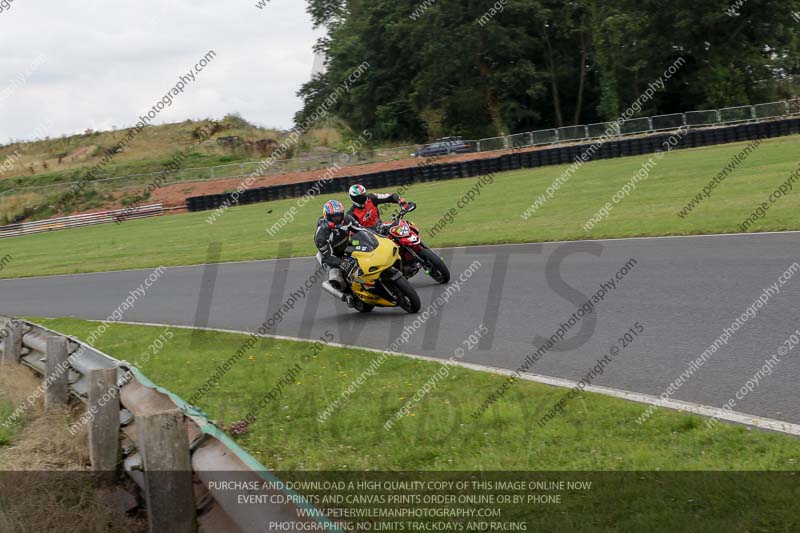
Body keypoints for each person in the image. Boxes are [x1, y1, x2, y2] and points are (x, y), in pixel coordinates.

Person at [315, 199, 356, 306]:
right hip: (330, 255)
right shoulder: (321, 235)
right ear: (327, 217)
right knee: (336, 279)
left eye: (339, 215)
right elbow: (328, 257)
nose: (338, 219)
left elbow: (362, 230)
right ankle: (347, 296)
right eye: (334, 217)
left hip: (345, 246)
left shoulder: (347, 219)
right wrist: (343, 263)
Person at [346, 184, 415, 233]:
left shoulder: (371, 198)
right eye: (359, 197)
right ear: (352, 198)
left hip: (382, 227)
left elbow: (390, 196)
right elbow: (354, 232)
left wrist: (403, 204)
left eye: (363, 195)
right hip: (371, 239)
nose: (362, 198)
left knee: (408, 225)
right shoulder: (351, 214)